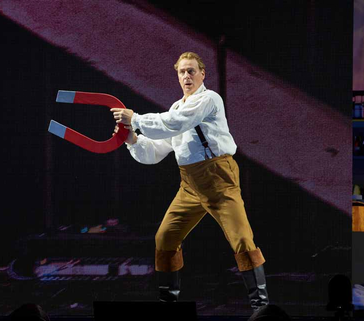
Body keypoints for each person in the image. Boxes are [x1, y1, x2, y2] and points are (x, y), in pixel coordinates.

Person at [111, 52, 268, 310]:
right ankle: (167, 300)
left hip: (219, 179)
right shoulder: (176, 106)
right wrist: (133, 140)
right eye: (182, 72)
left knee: (242, 239)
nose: (187, 76)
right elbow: (156, 151)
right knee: (165, 238)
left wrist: (136, 119)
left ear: (202, 74)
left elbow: (176, 123)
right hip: (190, 184)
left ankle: (261, 307)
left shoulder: (208, 99)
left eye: (192, 71)